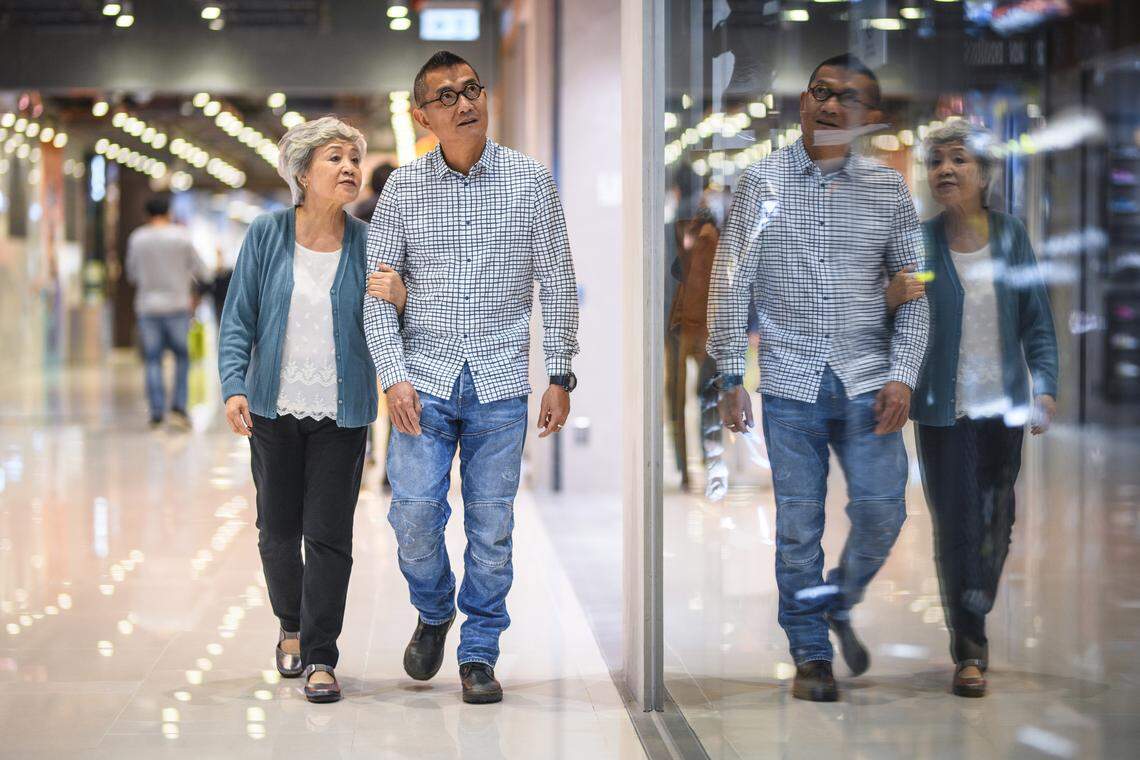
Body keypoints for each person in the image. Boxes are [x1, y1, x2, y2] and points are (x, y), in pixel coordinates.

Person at [707, 53, 929, 702]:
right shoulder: (761, 183)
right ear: (803, 103)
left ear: (865, 117)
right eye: (819, 93)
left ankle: (837, 600)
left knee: (884, 511)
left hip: (868, 381)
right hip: (790, 382)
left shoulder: (888, 190)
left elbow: (914, 292)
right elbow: (730, 280)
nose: (830, 106)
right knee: (798, 527)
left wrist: (904, 374)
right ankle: (809, 652)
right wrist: (727, 373)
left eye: (846, 99)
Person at [365, 50, 580, 705]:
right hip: (422, 382)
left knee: (492, 529)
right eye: (447, 96)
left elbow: (560, 279)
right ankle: (435, 610)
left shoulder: (529, 179)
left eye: (472, 90)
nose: (465, 104)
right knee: (413, 516)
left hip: (499, 384)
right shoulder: (401, 188)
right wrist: (393, 376)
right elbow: (376, 294)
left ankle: (479, 651)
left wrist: (561, 372)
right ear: (421, 114)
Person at [888, 121, 1059, 698]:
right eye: (936, 161)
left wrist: (1047, 386)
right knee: (957, 526)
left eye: (958, 160)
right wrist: (890, 298)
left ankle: (973, 607)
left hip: (1002, 409)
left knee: (997, 523)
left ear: (983, 174)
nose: (945, 170)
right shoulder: (920, 240)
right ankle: (970, 647)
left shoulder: (1012, 238)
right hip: (944, 409)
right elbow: (899, 318)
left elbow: (1037, 320)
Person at [217, 116, 378, 704]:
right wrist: (234, 385)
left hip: (343, 411)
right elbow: (239, 318)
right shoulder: (265, 234)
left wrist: (403, 298)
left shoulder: (369, 240)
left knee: (330, 536)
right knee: (277, 533)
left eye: (353, 159)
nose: (349, 169)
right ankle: (290, 621)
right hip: (273, 408)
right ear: (303, 173)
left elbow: (392, 321)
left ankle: (319, 656)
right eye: (334, 158)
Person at [125, 195, 208, 429]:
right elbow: (201, 269)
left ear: (147, 214)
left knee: (152, 359)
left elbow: (131, 273)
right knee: (183, 358)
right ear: (169, 212)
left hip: (147, 307)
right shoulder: (181, 237)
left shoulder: (137, 238)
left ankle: (156, 412)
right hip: (178, 306)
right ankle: (179, 408)